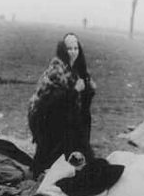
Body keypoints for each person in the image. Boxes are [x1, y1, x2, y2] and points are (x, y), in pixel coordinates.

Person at [28, 33, 96, 178]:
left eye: (76, 48)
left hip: (69, 115)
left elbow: (84, 98)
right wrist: (74, 91)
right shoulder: (56, 70)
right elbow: (49, 102)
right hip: (47, 117)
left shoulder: (79, 68)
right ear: (63, 50)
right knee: (52, 153)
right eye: (69, 49)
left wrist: (88, 90)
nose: (73, 52)